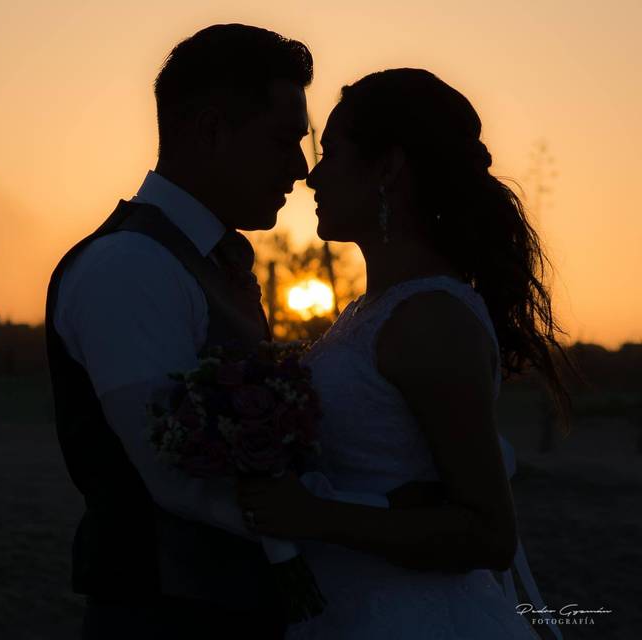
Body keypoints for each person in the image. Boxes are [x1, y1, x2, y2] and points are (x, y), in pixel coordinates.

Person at [237, 68, 569, 639]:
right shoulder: (370, 312)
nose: (312, 175)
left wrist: (314, 516)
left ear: (388, 168)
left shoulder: (430, 320)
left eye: (332, 153)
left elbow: (488, 535)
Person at [45, 24, 315, 639]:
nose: (300, 169)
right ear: (211, 131)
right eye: (283, 141)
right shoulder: (130, 267)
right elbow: (174, 477)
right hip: (165, 617)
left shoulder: (210, 259)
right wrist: (346, 518)